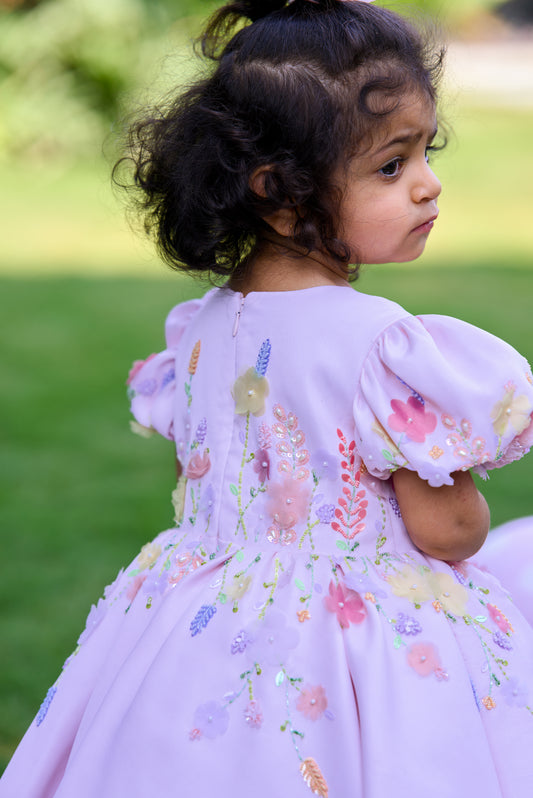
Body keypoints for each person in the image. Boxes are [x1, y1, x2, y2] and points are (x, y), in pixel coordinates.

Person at [2, 1, 533, 796]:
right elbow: (446, 532)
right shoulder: (381, 345)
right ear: (281, 194)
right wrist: (464, 513)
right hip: (356, 644)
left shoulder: (202, 329)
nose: (428, 185)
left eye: (429, 152)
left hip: (198, 622)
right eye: (392, 166)